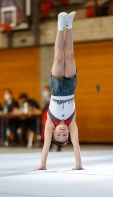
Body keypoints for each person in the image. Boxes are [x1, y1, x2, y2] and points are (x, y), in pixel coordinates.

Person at [36, 11, 84, 170]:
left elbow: (46, 145)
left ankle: (59, 26)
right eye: (65, 136)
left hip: (56, 91)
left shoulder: (50, 123)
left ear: (54, 131)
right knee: (69, 55)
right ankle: (69, 25)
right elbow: (76, 144)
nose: (62, 133)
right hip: (70, 89)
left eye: (59, 135)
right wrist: (78, 164)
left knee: (59, 57)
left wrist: (42, 164)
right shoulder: (72, 124)